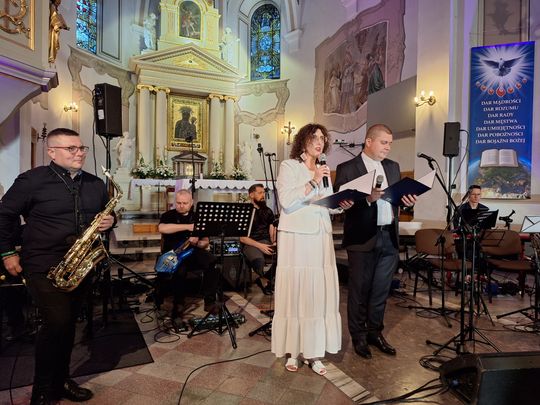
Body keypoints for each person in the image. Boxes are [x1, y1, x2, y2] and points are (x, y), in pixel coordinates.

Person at [0, 128, 115, 404]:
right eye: (71, 148)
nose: (80, 153)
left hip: (80, 264)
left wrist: (111, 222)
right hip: (43, 263)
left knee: (68, 324)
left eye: (82, 148)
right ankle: (42, 390)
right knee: (56, 322)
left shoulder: (95, 184)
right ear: (51, 152)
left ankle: (61, 380)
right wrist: (7, 253)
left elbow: (108, 215)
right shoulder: (31, 180)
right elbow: (4, 216)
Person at [271, 123, 352, 376]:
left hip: (320, 235)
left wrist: (341, 204)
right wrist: (313, 180)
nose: (320, 142)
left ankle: (314, 352)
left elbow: (325, 202)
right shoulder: (289, 166)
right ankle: (293, 351)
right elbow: (287, 201)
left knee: (317, 294)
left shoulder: (323, 169)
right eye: (314, 137)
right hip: (296, 236)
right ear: (303, 140)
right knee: (297, 290)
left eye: (323, 138)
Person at [334, 124, 416, 360]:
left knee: (381, 291)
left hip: (388, 236)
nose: (388, 147)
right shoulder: (347, 168)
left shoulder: (393, 167)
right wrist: (367, 199)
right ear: (369, 141)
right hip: (362, 237)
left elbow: (396, 200)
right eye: (384, 142)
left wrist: (407, 202)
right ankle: (358, 336)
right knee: (359, 291)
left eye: (390, 143)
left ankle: (375, 333)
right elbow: (341, 203)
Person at [157, 189, 219, 317]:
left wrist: (198, 243)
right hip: (173, 254)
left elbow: (205, 242)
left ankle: (210, 302)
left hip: (193, 251)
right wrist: (188, 227)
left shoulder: (198, 217)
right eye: (178, 203)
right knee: (180, 270)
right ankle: (178, 304)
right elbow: (162, 228)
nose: (181, 205)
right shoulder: (168, 215)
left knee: (212, 261)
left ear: (191, 203)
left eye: (185, 203)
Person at [239, 184, 276, 295]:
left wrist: (274, 242)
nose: (263, 195)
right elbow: (243, 238)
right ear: (251, 195)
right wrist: (261, 246)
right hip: (250, 244)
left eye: (263, 192)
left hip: (266, 242)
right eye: (260, 193)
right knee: (259, 261)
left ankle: (265, 278)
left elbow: (272, 231)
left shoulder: (268, 211)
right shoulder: (245, 211)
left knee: (283, 257)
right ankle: (264, 281)